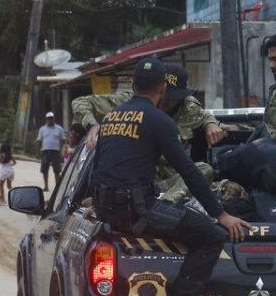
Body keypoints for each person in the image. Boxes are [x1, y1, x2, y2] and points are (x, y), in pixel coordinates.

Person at [90, 57, 249, 296]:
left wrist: (93, 206)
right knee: (211, 236)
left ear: (133, 85)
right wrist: (221, 214)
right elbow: (188, 170)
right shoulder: (159, 120)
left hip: (108, 209)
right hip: (138, 210)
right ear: (162, 88)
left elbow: (97, 167)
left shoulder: (112, 117)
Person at [72, 64, 225, 200]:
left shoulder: (189, 108)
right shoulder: (129, 102)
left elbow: (207, 117)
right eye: (162, 98)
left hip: (170, 186)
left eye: (170, 100)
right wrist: (92, 125)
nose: (162, 102)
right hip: (132, 187)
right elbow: (81, 102)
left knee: (203, 170)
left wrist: (211, 123)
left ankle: (167, 204)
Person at [36, 112, 66, 192]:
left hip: (55, 152)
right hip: (45, 151)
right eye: (48, 118)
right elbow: (39, 140)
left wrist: (62, 150)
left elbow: (63, 140)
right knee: (44, 170)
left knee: (57, 170)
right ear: (46, 119)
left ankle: (57, 187)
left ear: (54, 119)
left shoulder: (59, 129)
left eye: (51, 118)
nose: (50, 120)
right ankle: (46, 186)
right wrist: (38, 152)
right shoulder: (42, 129)